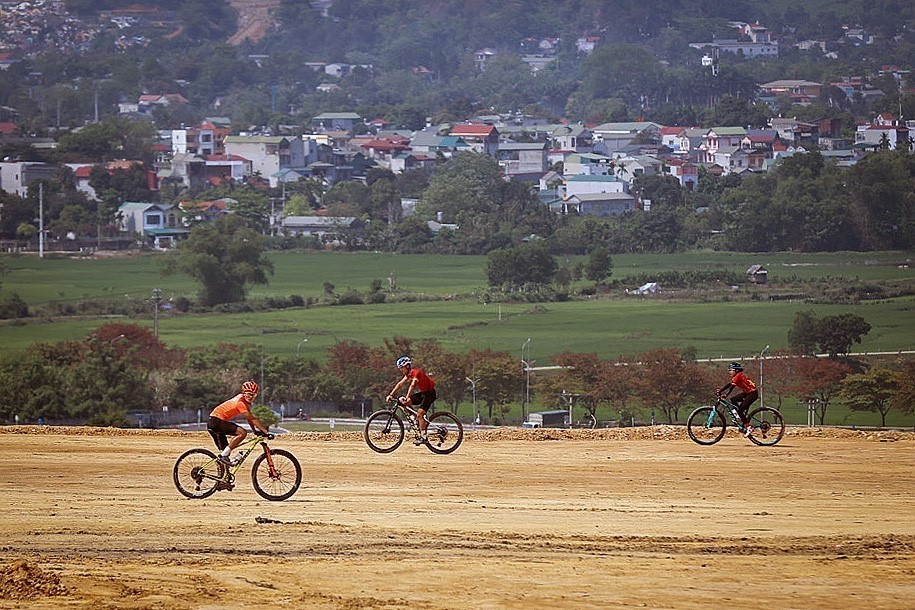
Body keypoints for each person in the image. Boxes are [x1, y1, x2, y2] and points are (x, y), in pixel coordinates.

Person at [207, 381, 273, 474]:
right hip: (216, 421)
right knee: (242, 433)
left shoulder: (244, 402)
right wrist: (266, 432)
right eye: (249, 394)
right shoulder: (240, 403)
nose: (251, 397)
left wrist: (255, 431)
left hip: (216, 422)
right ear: (244, 393)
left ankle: (223, 479)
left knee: (225, 453)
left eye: (253, 396)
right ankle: (224, 456)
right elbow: (252, 419)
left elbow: (249, 419)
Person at [386, 356, 436, 445]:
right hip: (423, 393)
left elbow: (412, 385)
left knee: (419, 414)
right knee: (405, 403)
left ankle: (423, 437)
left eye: (402, 368)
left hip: (430, 394)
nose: (401, 370)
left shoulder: (415, 373)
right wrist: (391, 394)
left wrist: (407, 396)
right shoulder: (408, 374)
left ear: (407, 366)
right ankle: (416, 418)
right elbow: (400, 384)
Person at [716, 362, 758, 434]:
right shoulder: (737, 376)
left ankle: (748, 427)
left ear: (736, 370)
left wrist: (724, 393)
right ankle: (739, 416)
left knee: (740, 411)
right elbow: (730, 384)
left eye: (731, 370)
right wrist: (723, 391)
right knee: (733, 399)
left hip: (752, 394)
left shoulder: (738, 376)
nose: (729, 372)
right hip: (747, 393)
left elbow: (731, 386)